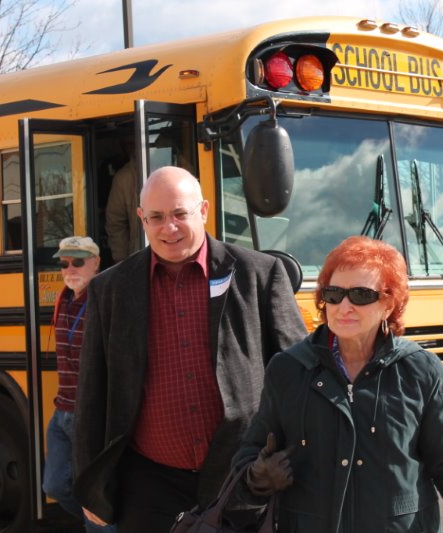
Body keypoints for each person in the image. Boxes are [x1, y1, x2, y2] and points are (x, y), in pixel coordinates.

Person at [72, 166, 307, 532]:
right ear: (141, 219)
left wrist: (292, 462)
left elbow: (298, 378)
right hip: (149, 486)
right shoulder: (111, 289)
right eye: (157, 217)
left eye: (180, 213)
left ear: (204, 211)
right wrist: (90, 487)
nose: (170, 228)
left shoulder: (259, 274)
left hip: (242, 478)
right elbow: (91, 393)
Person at [233, 236, 443, 532]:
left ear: (389, 304)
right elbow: (248, 456)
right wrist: (257, 477)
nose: (344, 307)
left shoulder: (420, 371)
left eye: (361, 295)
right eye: (334, 294)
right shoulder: (287, 369)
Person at [42, 236, 114, 533]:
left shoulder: (103, 300)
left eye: (78, 261)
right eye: (64, 263)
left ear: (96, 263)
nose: (69, 268)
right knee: (55, 484)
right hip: (62, 412)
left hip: (90, 416)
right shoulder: (64, 299)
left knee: (93, 493)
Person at [104, 143, 139, 262]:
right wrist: (124, 264)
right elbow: (115, 223)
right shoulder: (124, 178)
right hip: (141, 261)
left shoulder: (183, 169)